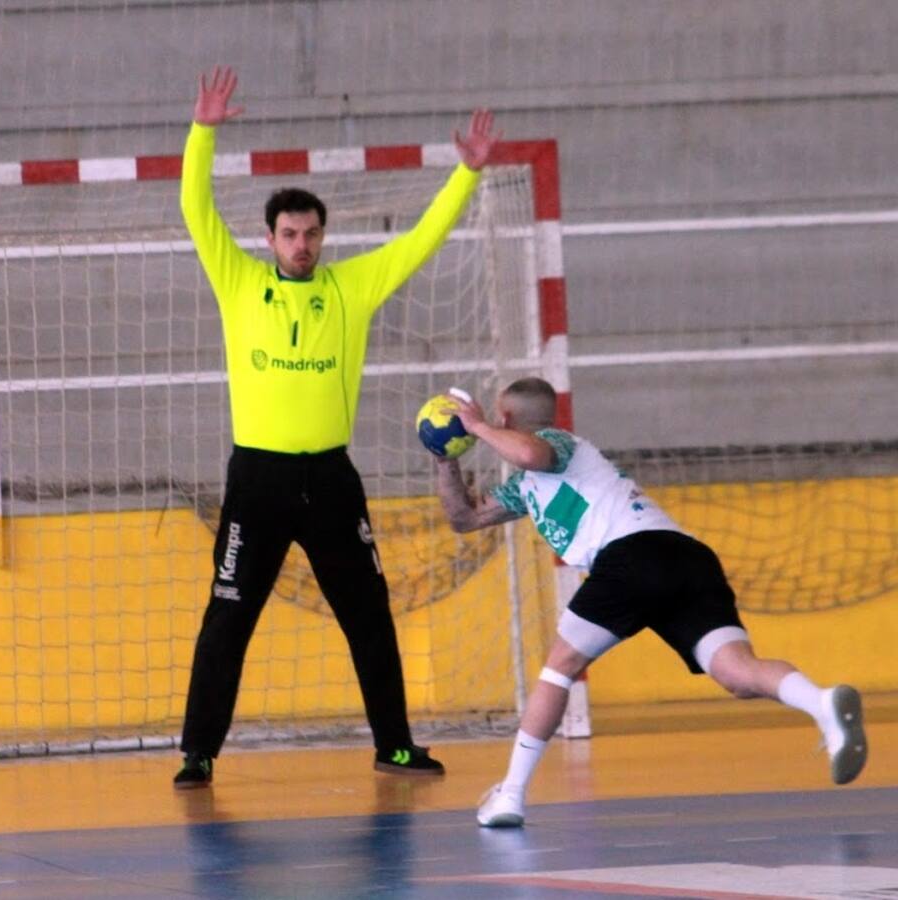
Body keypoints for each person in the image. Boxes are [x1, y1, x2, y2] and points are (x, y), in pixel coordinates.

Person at [173, 65, 502, 788]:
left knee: (369, 614)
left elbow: (420, 242)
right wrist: (203, 132)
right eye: (290, 234)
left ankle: (396, 746)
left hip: (329, 480)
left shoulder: (351, 287)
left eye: (311, 234)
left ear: (323, 237)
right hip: (256, 480)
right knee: (228, 615)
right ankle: (198, 752)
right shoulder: (238, 281)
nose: (301, 244)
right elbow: (195, 207)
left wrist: (466, 175)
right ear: (269, 238)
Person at [432, 377, 868, 827]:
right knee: (737, 672)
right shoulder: (526, 487)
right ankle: (822, 703)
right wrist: (445, 457)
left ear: (505, 416)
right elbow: (464, 518)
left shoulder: (557, 443)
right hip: (686, 558)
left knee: (559, 667)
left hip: (632, 556)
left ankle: (510, 795)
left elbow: (527, 453)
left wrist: (477, 427)